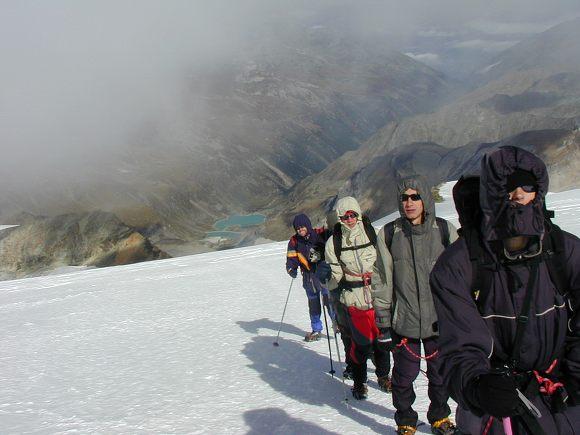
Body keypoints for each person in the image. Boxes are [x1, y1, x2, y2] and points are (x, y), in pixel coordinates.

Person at [430, 146, 580, 434]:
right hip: (497, 407)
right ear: (492, 193)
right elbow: (460, 344)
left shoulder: (563, 249)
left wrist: (575, 370)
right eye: (509, 187)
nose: (520, 194)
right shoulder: (460, 265)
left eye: (528, 186)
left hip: (563, 396)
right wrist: (477, 385)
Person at [374, 175, 459, 435]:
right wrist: (383, 321)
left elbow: (460, 275)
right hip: (404, 321)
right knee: (403, 376)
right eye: (404, 198)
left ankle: (440, 417)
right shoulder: (390, 233)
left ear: (425, 200)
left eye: (415, 197)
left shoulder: (444, 230)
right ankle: (406, 420)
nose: (409, 203)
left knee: (440, 374)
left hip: (438, 320)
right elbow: (382, 279)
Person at [325, 196, 392, 400]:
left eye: (353, 215)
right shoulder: (334, 242)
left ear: (358, 214)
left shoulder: (372, 234)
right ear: (339, 218)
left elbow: (385, 264)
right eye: (345, 217)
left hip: (376, 296)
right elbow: (334, 278)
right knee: (361, 344)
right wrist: (326, 277)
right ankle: (359, 382)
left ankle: (383, 376)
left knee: (382, 342)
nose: (350, 219)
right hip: (353, 300)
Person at [286, 213, 332, 341]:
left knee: (330, 301)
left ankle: (338, 324)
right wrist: (291, 269)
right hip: (308, 277)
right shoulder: (294, 241)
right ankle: (316, 329)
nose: (300, 230)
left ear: (307, 225)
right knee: (313, 304)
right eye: (297, 228)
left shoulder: (319, 234)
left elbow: (332, 235)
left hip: (323, 273)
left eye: (302, 227)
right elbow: (291, 257)